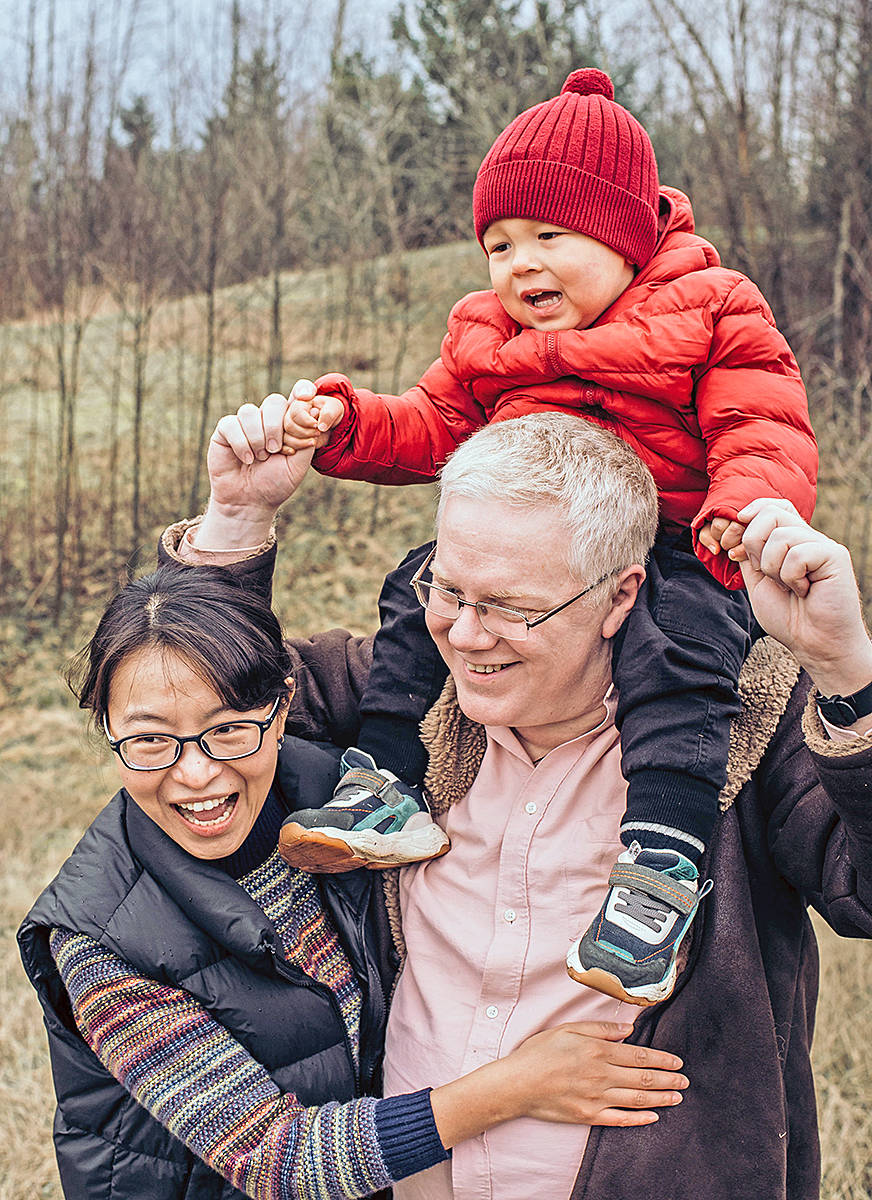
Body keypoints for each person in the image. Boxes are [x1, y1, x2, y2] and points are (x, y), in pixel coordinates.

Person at [183, 398, 870, 1199]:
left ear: (621, 595)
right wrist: (235, 520)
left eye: (513, 606)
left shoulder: (744, 719)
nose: (467, 634)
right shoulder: (407, 698)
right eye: (447, 589)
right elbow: (200, 699)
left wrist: (845, 672)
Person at [275, 67, 819, 1006]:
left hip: (678, 542)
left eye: (548, 236)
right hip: (525, 546)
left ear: (623, 235)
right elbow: (431, 423)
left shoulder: (711, 305)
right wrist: (348, 422)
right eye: (498, 243)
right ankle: (387, 784)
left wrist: (745, 506)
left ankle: (660, 867)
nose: (519, 265)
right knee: (420, 594)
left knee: (683, 658)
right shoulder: (485, 333)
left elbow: (763, 424)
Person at [17, 441, 689, 1200]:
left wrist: (241, 517)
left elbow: (213, 661)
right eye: (147, 742)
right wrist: (517, 1087)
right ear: (106, 735)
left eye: (231, 731)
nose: (196, 772)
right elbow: (278, 1158)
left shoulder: (336, 791)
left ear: (279, 715)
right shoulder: (99, 939)